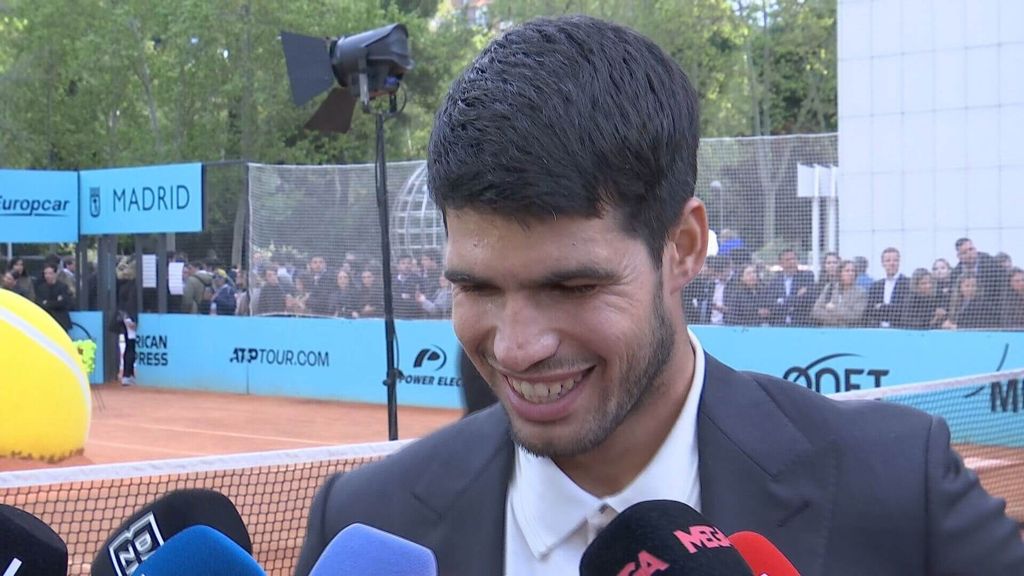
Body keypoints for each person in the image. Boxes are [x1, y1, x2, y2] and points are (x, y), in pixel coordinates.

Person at [294, 16, 1024, 576]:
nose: (516, 347)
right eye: (476, 287)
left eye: (572, 286)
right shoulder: (363, 521)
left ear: (683, 246)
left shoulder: (899, 486)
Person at [811, 260, 868, 327]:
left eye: (853, 271)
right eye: (847, 271)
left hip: (849, 330)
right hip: (829, 329)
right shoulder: (830, 288)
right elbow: (816, 310)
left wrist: (834, 308)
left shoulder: (861, 292)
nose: (851, 273)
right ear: (840, 273)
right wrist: (836, 320)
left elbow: (855, 316)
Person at [35, 263, 72, 332]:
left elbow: (63, 303)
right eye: (45, 273)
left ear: (55, 274)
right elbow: (39, 303)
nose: (47, 276)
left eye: (50, 273)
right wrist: (55, 302)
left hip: (61, 320)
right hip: (46, 320)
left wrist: (47, 302)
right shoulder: (41, 288)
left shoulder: (63, 287)